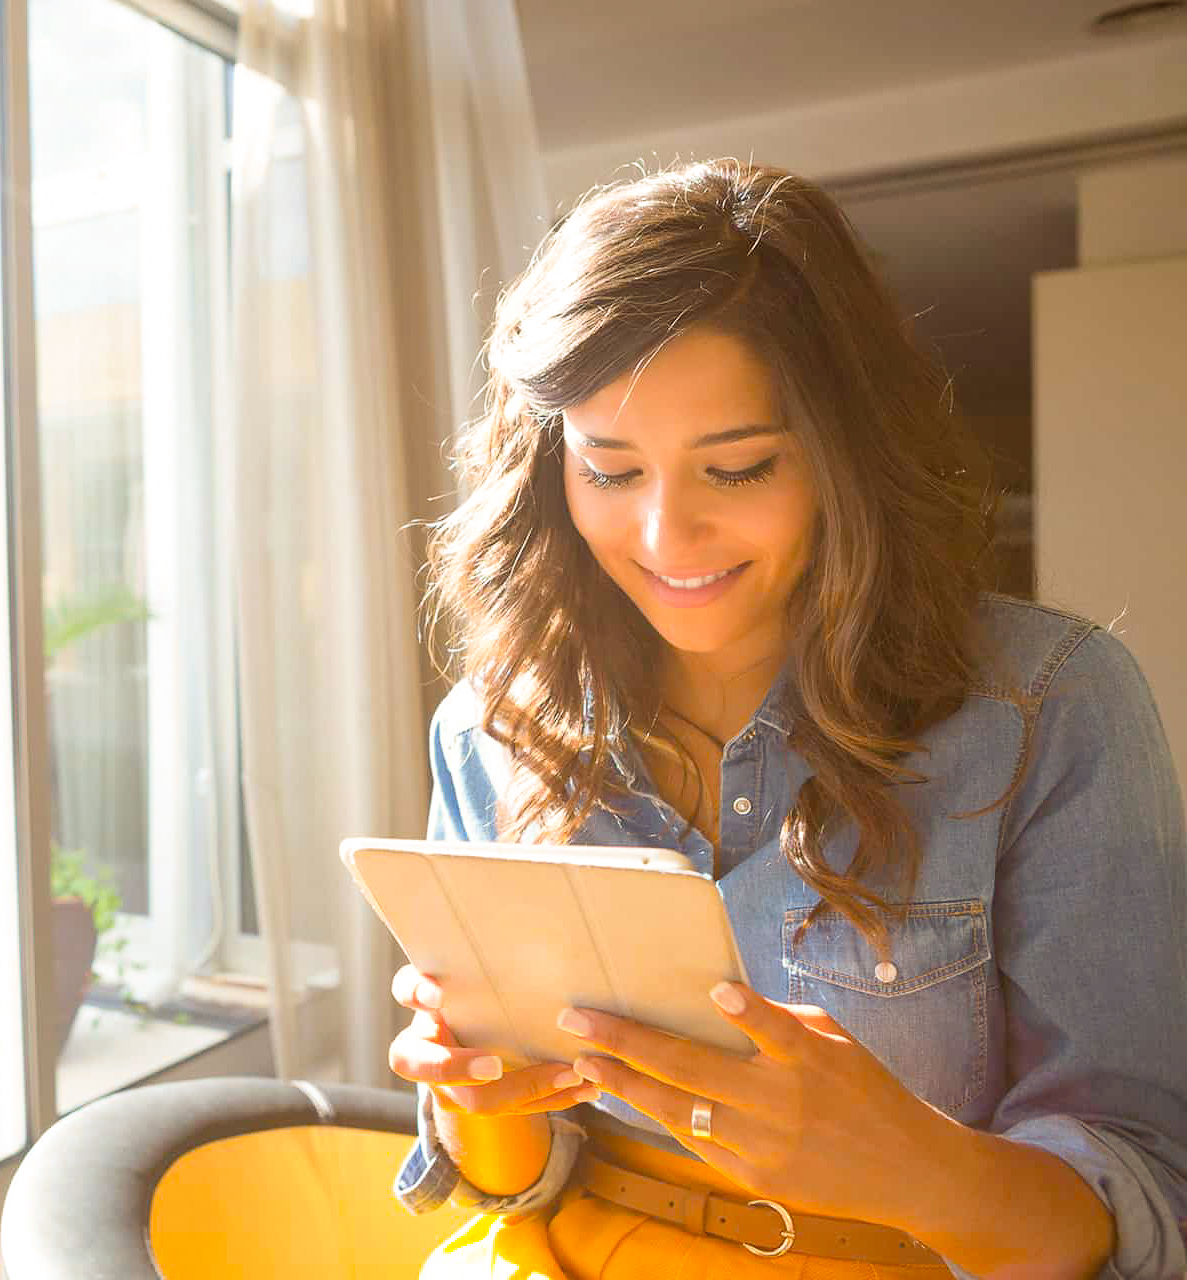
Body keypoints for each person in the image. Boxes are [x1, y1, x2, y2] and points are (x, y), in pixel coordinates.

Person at [388, 159, 1187, 1279]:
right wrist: (471, 1094)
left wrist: (909, 1162)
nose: (667, 538)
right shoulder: (492, 726)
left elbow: (1147, 1207)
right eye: (611, 471)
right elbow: (515, 1182)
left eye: (739, 466)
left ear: (847, 454)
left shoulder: (1050, 704)